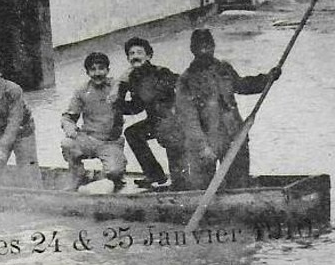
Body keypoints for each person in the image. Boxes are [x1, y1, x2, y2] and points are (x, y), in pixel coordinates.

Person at [176, 28, 280, 190]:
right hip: (207, 141)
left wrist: (267, 78)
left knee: (239, 184)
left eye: (208, 45)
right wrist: (202, 147)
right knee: (203, 188)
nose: (204, 50)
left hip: (234, 135)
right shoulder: (186, 79)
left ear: (213, 46)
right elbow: (188, 118)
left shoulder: (223, 68)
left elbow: (242, 85)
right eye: (200, 46)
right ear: (192, 49)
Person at [119, 37, 183, 189]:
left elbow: (183, 84)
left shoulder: (161, 72)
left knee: (171, 138)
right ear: (128, 58)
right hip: (154, 121)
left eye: (139, 52)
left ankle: (179, 182)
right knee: (132, 133)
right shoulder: (133, 78)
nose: (135, 56)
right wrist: (121, 86)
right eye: (131, 53)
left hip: (173, 120)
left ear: (149, 56)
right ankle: (155, 175)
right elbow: (136, 108)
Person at [60, 52, 127, 192]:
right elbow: (68, 116)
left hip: (110, 142)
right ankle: (79, 174)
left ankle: (114, 173)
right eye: (93, 69)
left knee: (114, 172)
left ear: (108, 70)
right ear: (87, 72)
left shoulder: (117, 86)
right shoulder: (82, 91)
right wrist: (69, 127)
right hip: (88, 139)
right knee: (67, 143)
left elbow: (130, 76)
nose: (97, 73)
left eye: (101, 68)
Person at [0, 57, 41, 187]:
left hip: (23, 132)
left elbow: (15, 121)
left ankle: (37, 197)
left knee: (28, 171)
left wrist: (2, 146)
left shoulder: (13, 90)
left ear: (0, 73)